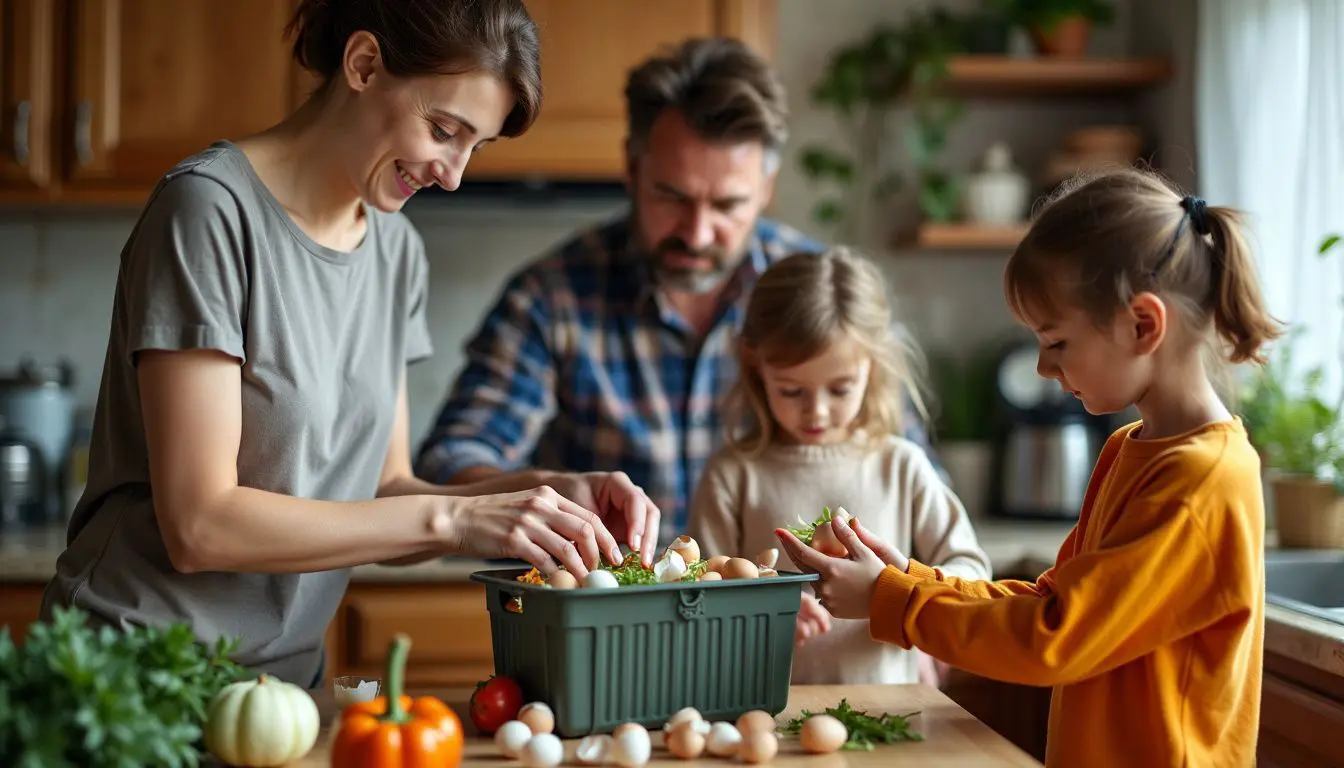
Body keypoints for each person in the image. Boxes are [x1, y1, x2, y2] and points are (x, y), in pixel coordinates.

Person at [40, 0, 658, 689]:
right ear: (364, 65)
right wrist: (456, 516)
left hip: (282, 690)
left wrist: (545, 494)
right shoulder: (209, 212)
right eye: (444, 130)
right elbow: (201, 525)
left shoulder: (396, 251)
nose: (452, 174)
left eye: (473, 148)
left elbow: (385, 492)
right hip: (133, 677)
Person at [775, 168, 1283, 767]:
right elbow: (1049, 599)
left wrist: (894, 600)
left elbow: (1052, 635)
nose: (1042, 367)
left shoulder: (1203, 482)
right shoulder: (1131, 446)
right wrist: (908, 579)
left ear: (1143, 325)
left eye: (1057, 341)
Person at [414, 37, 936, 546]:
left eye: (728, 204)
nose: (697, 232)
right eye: (672, 195)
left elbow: (915, 480)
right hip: (613, 619)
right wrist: (552, 497)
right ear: (632, 167)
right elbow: (452, 463)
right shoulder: (551, 300)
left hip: (788, 623)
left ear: (766, 190)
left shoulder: (824, 299)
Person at [688, 247, 991, 686]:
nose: (817, 412)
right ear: (756, 367)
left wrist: (899, 593)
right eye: (791, 391)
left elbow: (971, 571)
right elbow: (699, 594)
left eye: (840, 389)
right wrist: (760, 619)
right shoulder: (733, 476)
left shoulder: (900, 465)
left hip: (888, 716)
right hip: (764, 714)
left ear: (873, 366)